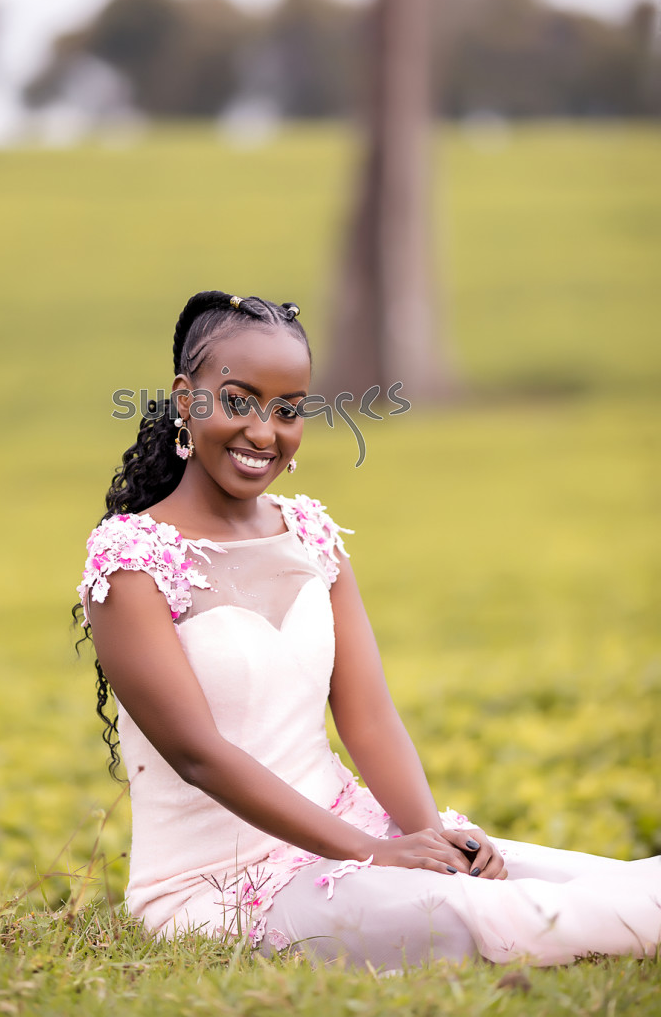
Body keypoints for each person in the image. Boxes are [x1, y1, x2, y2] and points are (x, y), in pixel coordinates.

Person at [73, 289, 660, 971]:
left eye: (288, 410)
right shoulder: (131, 561)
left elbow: (370, 717)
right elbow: (197, 754)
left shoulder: (310, 535)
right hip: (222, 885)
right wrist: (373, 854)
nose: (264, 433)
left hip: (351, 829)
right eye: (239, 401)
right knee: (493, 915)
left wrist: (430, 838)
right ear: (187, 400)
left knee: (583, 878)